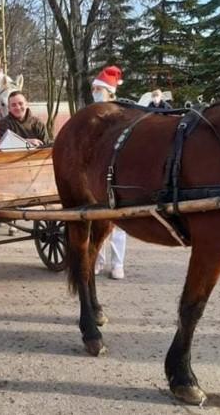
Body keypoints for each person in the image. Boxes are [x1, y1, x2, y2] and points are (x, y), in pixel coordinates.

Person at [91, 66, 127, 280]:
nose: (94, 91)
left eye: (98, 88)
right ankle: (98, 259)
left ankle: (118, 263)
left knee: (120, 223)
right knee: (98, 218)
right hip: (97, 172)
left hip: (118, 172)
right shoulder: (91, 115)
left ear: (109, 92)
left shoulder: (121, 114)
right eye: (94, 88)